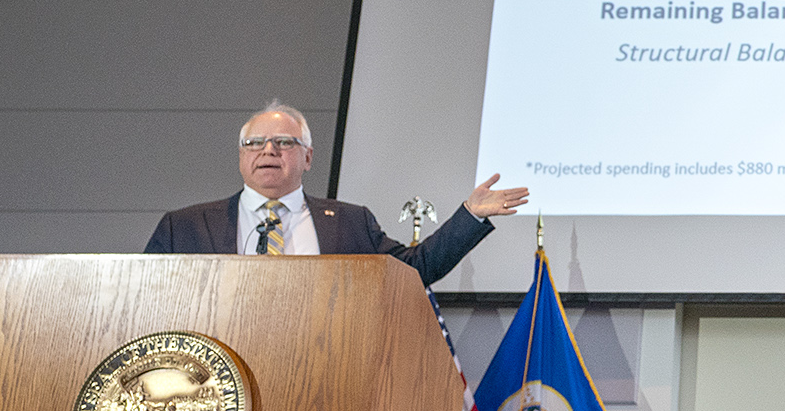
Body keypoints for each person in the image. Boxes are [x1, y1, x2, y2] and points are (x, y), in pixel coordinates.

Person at [144, 101, 528, 287]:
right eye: (255, 142)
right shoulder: (185, 227)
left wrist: (470, 214)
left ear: (308, 156)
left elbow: (415, 270)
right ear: (241, 154)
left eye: (283, 142)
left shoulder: (349, 222)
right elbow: (144, 296)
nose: (268, 151)